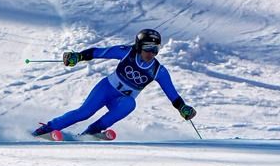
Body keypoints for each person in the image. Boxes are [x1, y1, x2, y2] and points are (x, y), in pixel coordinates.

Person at [32, 28, 197, 139]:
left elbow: (173, 95)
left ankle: (92, 132)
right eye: (148, 47)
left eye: (155, 48)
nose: (151, 53)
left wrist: (183, 108)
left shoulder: (158, 70)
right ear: (139, 46)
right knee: (84, 113)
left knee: (130, 104)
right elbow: (98, 52)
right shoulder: (127, 52)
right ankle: (47, 129)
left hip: (121, 99)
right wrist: (78, 56)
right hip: (106, 89)